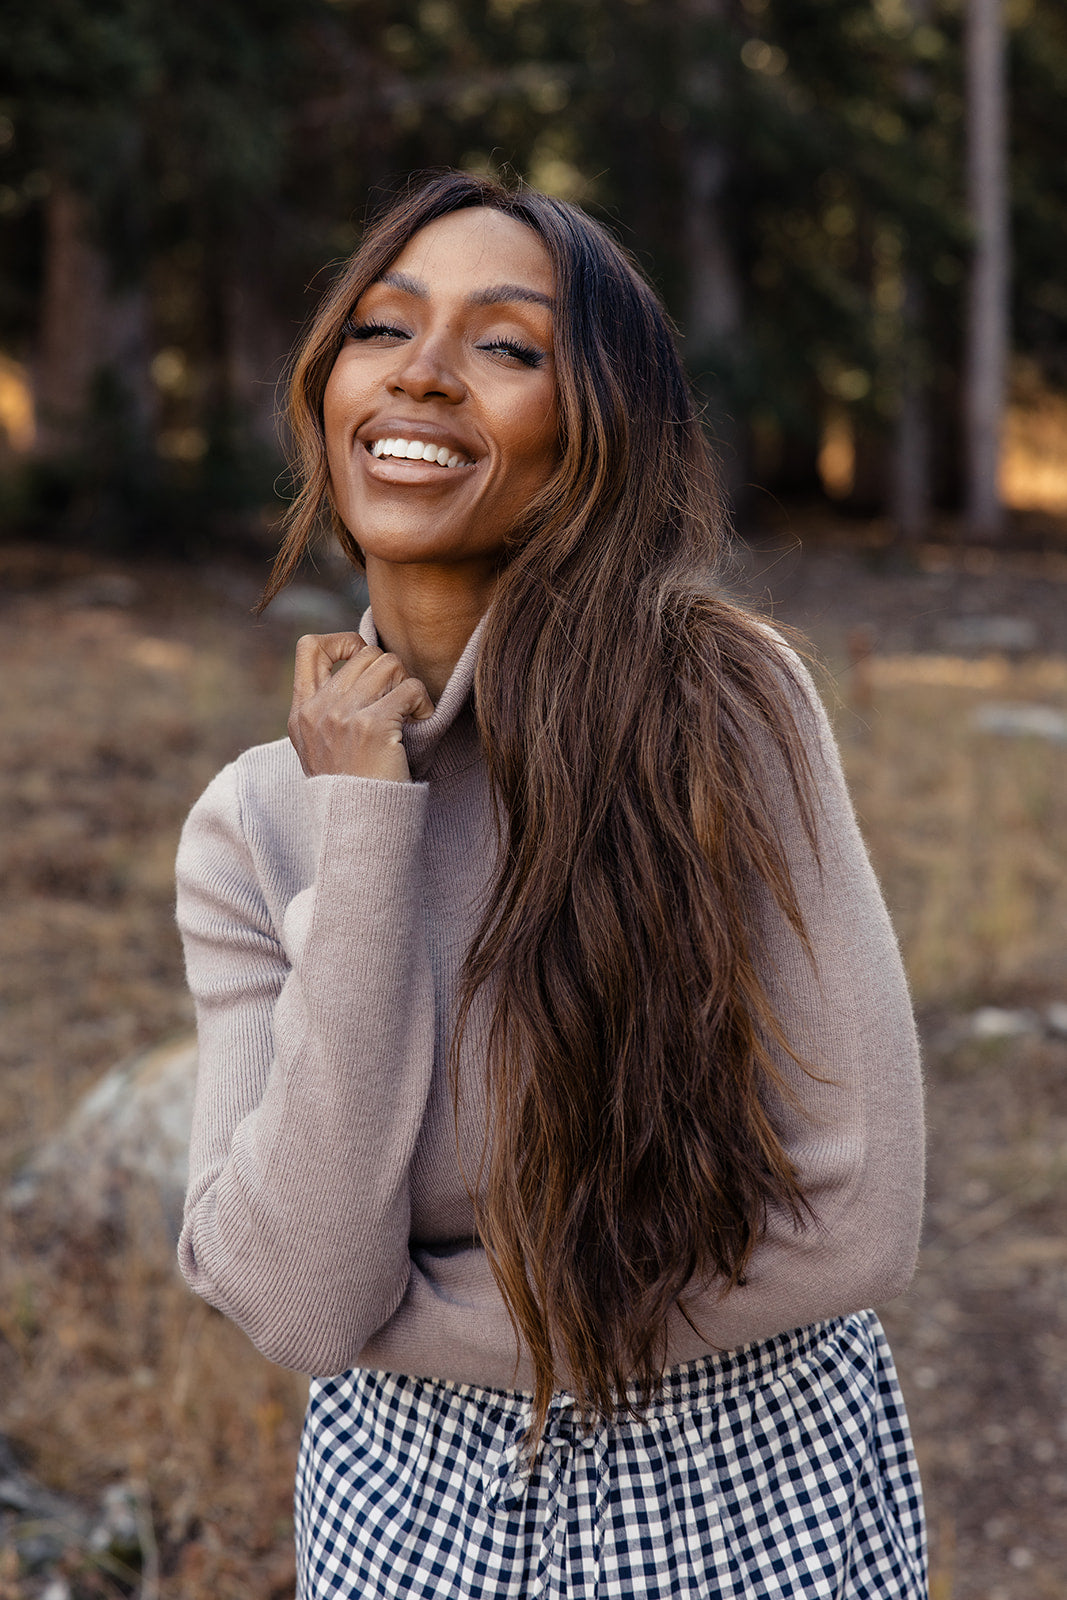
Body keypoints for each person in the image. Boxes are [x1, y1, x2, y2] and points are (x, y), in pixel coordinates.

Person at [176, 171, 927, 1599]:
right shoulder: (258, 826)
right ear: (329, 386)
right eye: (383, 330)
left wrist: (416, 1312)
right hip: (406, 1512)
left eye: (507, 347)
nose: (425, 376)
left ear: (595, 432)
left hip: (743, 1478)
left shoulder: (721, 705)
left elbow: (859, 1224)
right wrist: (362, 822)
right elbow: (301, 1296)